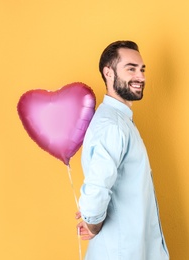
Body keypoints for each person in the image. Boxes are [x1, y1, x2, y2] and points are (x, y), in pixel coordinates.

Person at [76, 40, 169, 260]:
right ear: (108, 73)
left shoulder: (119, 121)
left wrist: (93, 219)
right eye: (131, 68)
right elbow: (95, 193)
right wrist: (93, 223)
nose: (141, 77)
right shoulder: (113, 126)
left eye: (142, 69)